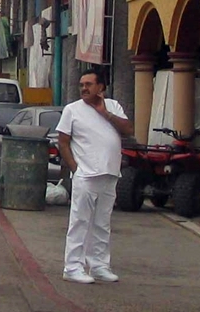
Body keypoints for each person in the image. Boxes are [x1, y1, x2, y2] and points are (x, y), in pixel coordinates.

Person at [56, 70, 133, 284]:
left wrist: (104, 112)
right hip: (85, 175)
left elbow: (128, 129)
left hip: (109, 173)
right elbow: (63, 141)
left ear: (101, 87)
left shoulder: (113, 106)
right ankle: (72, 267)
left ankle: (99, 265)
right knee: (80, 221)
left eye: (89, 84)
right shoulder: (72, 110)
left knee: (102, 223)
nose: (84, 88)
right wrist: (75, 168)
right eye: (82, 84)